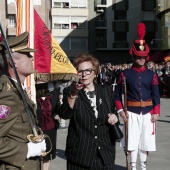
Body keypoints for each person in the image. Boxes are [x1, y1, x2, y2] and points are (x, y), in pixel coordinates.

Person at [59, 53, 118, 170]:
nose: (84, 74)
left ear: (95, 72)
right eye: (80, 71)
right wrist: (73, 94)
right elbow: (64, 114)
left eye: (88, 70)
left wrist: (115, 117)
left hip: (105, 154)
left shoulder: (106, 91)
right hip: (80, 155)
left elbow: (112, 111)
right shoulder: (69, 91)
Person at [114, 23, 160, 170]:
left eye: (143, 57)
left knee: (145, 141)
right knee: (132, 141)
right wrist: (121, 111)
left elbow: (156, 94)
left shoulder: (151, 75)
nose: (141, 60)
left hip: (148, 114)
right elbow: (116, 94)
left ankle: (143, 166)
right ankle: (133, 167)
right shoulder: (125, 74)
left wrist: (156, 112)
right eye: (138, 57)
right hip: (131, 113)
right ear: (133, 56)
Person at [0, 32, 46, 170]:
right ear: (13, 63)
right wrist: (27, 150)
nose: (32, 59)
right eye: (28, 55)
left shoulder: (16, 89)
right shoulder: (8, 95)